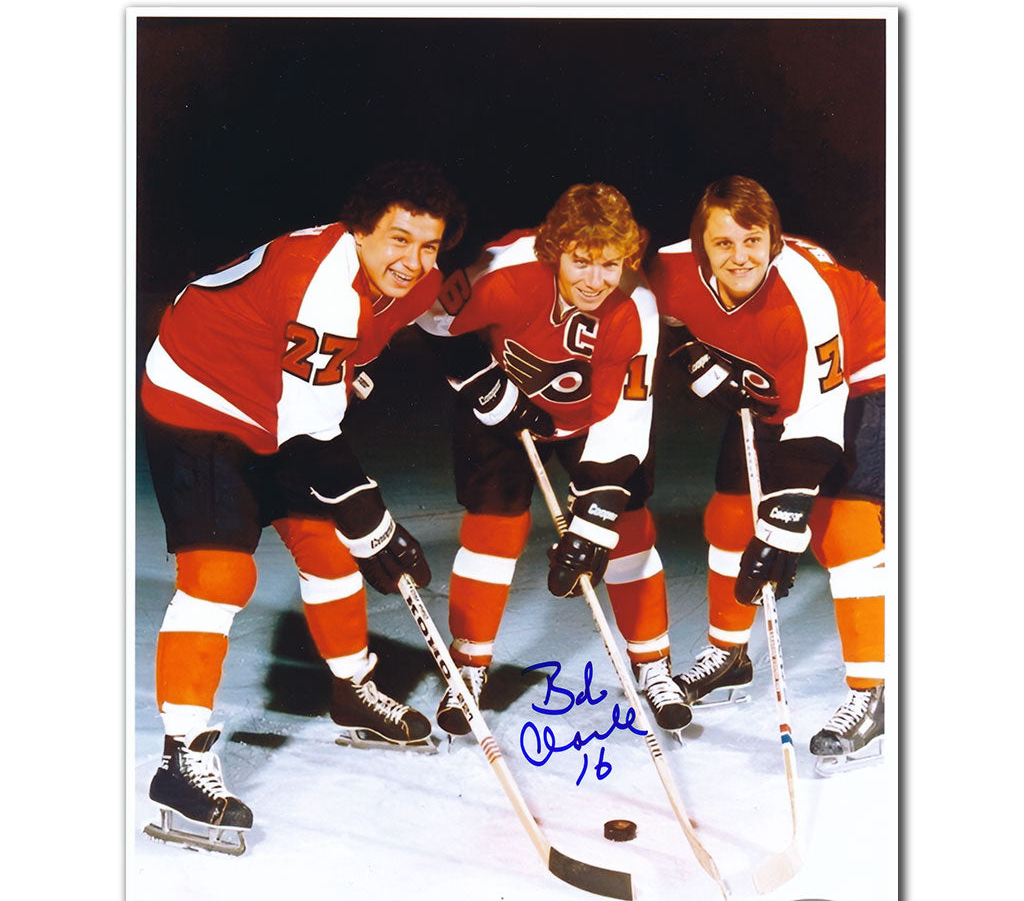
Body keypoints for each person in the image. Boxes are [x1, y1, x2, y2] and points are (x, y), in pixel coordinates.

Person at [140, 161, 467, 848]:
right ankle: (180, 761)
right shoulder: (322, 281)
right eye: (399, 240)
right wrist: (377, 525)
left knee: (329, 547)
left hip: (279, 402)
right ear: (360, 231)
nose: (413, 261)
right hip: (200, 396)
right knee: (221, 576)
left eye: (428, 245)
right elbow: (314, 432)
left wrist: (489, 381)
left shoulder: (417, 279)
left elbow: (442, 328)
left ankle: (352, 690)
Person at [417, 182, 692, 735]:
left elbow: (626, 418)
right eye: (581, 261)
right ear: (554, 251)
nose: (595, 280)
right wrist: (483, 384)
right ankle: (468, 667)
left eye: (610, 264)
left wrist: (593, 521)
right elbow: (432, 318)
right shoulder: (505, 270)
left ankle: (653, 665)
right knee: (493, 529)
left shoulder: (636, 304)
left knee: (628, 526)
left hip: (593, 418)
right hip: (504, 408)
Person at [647, 175, 885, 769]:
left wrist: (783, 524)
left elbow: (820, 420)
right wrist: (691, 355)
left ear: (774, 241)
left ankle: (873, 694)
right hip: (771, 379)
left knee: (844, 529)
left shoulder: (807, 295)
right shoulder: (667, 271)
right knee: (730, 515)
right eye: (723, 243)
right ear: (699, 246)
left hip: (863, 378)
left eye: (752, 241)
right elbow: (656, 319)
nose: (739, 257)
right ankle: (729, 656)